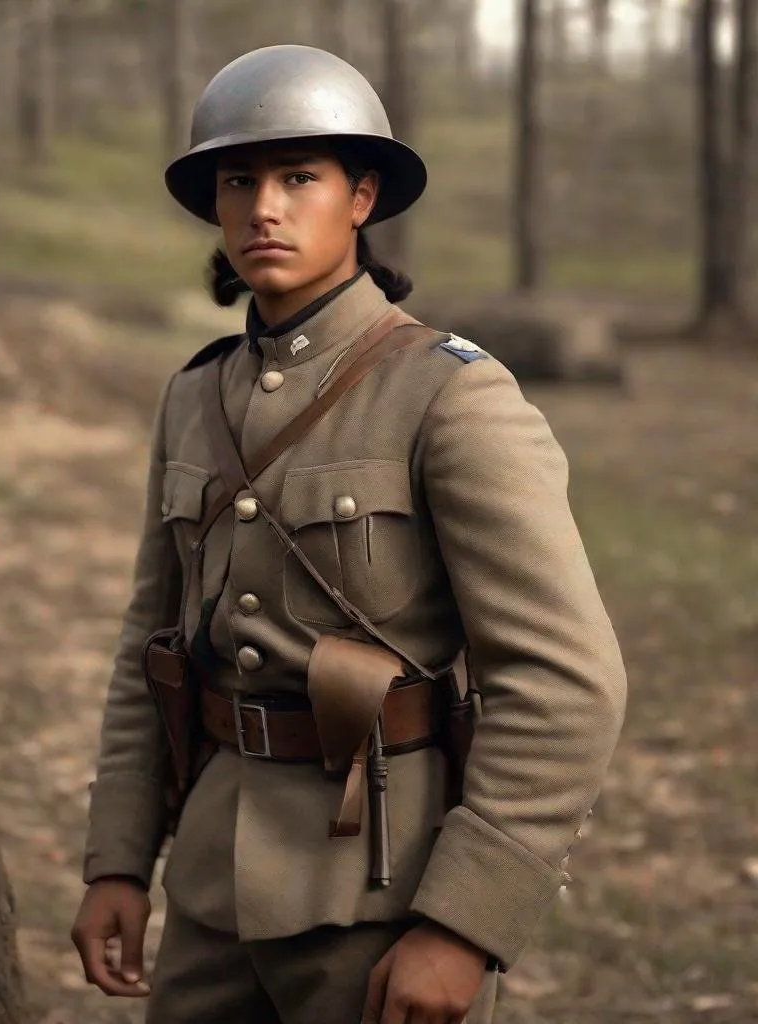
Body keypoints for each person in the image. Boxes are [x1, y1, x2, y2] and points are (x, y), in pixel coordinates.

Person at [71, 44, 626, 1024]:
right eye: (237, 180)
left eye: (298, 178)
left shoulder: (449, 395)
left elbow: (566, 682)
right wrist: (119, 856)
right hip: (209, 888)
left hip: (379, 891)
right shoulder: (197, 394)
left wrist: (463, 922)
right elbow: (145, 645)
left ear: (361, 197)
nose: (264, 208)